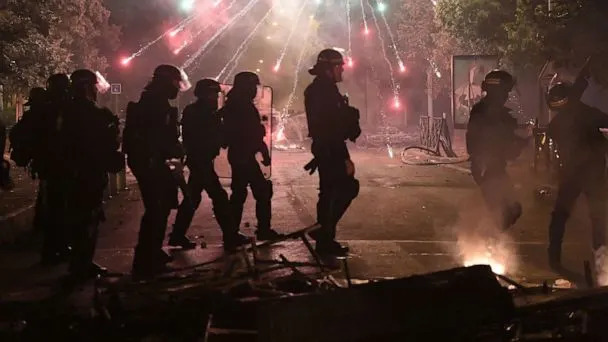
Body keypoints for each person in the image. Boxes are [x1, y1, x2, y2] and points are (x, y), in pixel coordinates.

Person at [124, 65, 189, 277]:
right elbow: (156, 138)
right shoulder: (154, 104)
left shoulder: (154, 102)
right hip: (152, 164)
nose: (177, 88)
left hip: (153, 162)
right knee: (157, 210)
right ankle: (146, 259)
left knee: (160, 208)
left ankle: (152, 252)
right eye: (175, 83)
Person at [169, 79, 249, 250]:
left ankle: (177, 235)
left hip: (202, 160)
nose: (216, 97)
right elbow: (201, 136)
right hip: (200, 161)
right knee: (219, 198)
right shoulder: (198, 112)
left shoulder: (203, 112)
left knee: (193, 198)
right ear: (205, 94)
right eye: (214, 94)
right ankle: (230, 235)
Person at [62, 69, 123, 283]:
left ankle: (78, 263)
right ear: (89, 87)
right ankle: (82, 265)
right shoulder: (95, 113)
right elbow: (110, 143)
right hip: (89, 173)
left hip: (67, 173)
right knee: (88, 219)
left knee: (76, 218)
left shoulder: (64, 110)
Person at [545, 81, 608, 271]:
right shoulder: (582, 114)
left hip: (582, 172)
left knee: (569, 215)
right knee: (594, 215)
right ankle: (600, 259)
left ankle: (556, 256)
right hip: (583, 172)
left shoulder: (569, 118)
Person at [303, 49, 361, 256]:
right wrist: (343, 156)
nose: (342, 70)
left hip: (327, 146)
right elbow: (331, 125)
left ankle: (325, 238)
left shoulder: (321, 90)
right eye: (339, 66)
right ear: (330, 69)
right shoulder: (323, 92)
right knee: (345, 188)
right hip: (331, 147)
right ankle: (323, 232)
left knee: (329, 193)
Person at [220, 72, 281, 241]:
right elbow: (251, 133)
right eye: (253, 86)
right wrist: (263, 151)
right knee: (261, 192)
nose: (255, 90)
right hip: (244, 154)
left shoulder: (234, 103)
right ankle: (260, 230)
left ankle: (232, 234)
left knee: (240, 193)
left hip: (240, 154)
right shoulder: (241, 106)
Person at [466, 70, 527, 231]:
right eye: (506, 91)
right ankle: (487, 242)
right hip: (487, 167)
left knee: (507, 209)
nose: (507, 95)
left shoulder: (491, 111)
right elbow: (483, 138)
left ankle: (491, 241)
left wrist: (518, 142)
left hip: (493, 166)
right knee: (501, 210)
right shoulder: (486, 112)